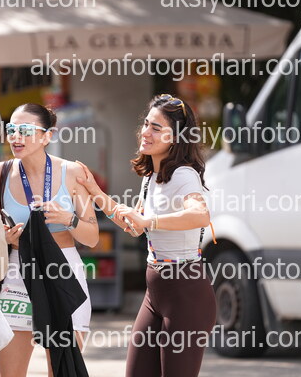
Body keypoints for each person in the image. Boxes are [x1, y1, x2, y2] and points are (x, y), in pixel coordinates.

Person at [77, 94, 217, 377]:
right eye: (146, 124)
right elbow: (135, 225)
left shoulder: (183, 175)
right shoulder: (151, 177)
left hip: (186, 293)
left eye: (156, 128)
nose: (145, 132)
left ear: (174, 137)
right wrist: (94, 191)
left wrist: (150, 220)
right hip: (155, 293)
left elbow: (200, 215)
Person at [0, 103, 99, 377]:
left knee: (63, 369)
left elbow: (92, 237)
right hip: (18, 273)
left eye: (25, 130)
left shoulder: (72, 173)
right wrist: (3, 238)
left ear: (47, 136)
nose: (16, 137)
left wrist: (68, 219)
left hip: (63, 271)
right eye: (12, 129)